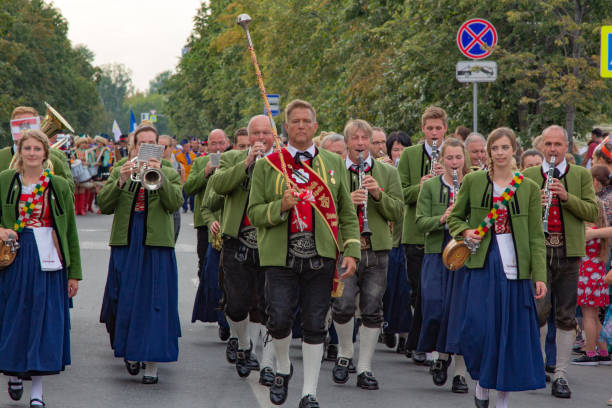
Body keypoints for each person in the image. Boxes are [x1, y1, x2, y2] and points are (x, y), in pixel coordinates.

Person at [248, 100, 361, 408]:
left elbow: (347, 214)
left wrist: (351, 249)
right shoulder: (267, 165)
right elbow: (254, 213)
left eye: (306, 121)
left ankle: (309, 392)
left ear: (315, 126)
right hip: (280, 257)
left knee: (314, 325)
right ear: (286, 127)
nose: (300, 125)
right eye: (294, 121)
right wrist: (280, 206)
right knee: (279, 320)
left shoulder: (333, 163)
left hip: (320, 257)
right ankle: (283, 367)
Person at [448, 127, 548, 408]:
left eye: (505, 147)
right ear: (488, 152)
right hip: (482, 262)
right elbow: (455, 218)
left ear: (514, 150)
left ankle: (502, 399)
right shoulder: (474, 181)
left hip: (515, 267)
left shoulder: (527, 187)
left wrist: (539, 276)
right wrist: (466, 232)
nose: (500, 153)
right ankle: (481, 383)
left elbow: (535, 237)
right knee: (478, 327)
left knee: (509, 332)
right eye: (495, 148)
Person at [0, 129, 81, 407]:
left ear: (46, 153)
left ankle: (37, 390)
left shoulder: (57, 185)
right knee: (14, 316)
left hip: (49, 258)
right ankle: (13, 371)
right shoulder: (5, 181)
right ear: (20, 152)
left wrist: (74, 273)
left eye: (37, 149)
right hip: (15, 257)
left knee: (42, 320)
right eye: (27, 149)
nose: (32, 153)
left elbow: (70, 231)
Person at [98, 122, 183, 384]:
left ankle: (152, 365)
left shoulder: (169, 170)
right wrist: (121, 180)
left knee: (155, 303)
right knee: (125, 298)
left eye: (152, 146)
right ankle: (130, 352)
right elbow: (104, 205)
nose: (147, 150)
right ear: (134, 147)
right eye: (141, 145)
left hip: (156, 243)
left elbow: (174, 203)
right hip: (127, 240)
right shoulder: (119, 168)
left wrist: (160, 174)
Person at [523, 125, 598, 399]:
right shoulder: (530, 175)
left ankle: (561, 375)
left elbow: (592, 210)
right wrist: (534, 202)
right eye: (549, 144)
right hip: (540, 251)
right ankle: (538, 366)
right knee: (539, 311)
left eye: (558, 144)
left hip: (568, 251)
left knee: (566, 315)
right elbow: (516, 212)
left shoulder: (579, 174)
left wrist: (566, 197)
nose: (553, 149)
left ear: (567, 147)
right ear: (542, 146)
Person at [330, 119, 403, 390]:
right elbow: (324, 208)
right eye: (355, 138)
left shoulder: (386, 172)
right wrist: (348, 200)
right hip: (346, 248)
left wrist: (377, 195)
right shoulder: (335, 170)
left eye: (365, 138)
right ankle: (345, 354)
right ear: (347, 142)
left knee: (373, 309)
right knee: (343, 304)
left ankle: (365, 367)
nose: (360, 143)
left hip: (377, 249)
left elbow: (397, 211)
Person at [208, 115, 276, 384]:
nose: (261, 138)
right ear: (248, 137)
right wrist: (247, 162)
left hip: (271, 240)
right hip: (238, 240)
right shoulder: (232, 158)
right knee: (236, 305)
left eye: (265, 133)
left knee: (267, 305)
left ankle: (263, 358)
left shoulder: (282, 161)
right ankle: (244, 344)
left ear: (274, 136)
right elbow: (218, 186)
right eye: (255, 133)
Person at [415, 137, 469, 393]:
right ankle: (439, 356)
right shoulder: (430, 187)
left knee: (459, 313)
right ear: (441, 160)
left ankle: (459, 372)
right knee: (434, 306)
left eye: (459, 158)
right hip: (436, 252)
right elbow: (420, 222)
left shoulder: (471, 184)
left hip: (463, 253)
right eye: (449, 158)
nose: (454, 163)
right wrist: (442, 218)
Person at [397, 106, 447, 364]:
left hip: (445, 236)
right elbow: (401, 194)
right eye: (430, 128)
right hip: (416, 234)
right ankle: (421, 341)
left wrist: (446, 178)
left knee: (438, 294)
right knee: (419, 291)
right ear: (423, 130)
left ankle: (427, 344)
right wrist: (424, 184)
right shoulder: (409, 155)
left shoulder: (453, 155)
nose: (434, 133)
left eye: (438, 128)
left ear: (445, 129)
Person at [183, 129, 230, 339]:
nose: (218, 148)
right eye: (213, 144)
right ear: (207, 145)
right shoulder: (201, 162)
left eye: (221, 143)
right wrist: (206, 173)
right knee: (206, 268)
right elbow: (189, 189)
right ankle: (213, 307)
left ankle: (226, 317)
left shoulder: (234, 160)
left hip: (228, 222)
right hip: (206, 224)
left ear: (227, 143)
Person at [381, 129, 412, 351]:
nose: (399, 153)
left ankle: (404, 335)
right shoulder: (384, 170)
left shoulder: (409, 170)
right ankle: (388, 327)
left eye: (402, 149)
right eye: (395, 149)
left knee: (404, 290)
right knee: (388, 288)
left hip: (405, 236)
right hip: (389, 238)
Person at [571, 199, 610, 366]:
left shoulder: (586, 230)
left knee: (587, 316)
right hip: (598, 274)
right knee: (594, 316)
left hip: (586, 275)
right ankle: (603, 352)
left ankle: (590, 352)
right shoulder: (600, 230)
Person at [0, 106, 74, 191]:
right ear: (12, 129)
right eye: (19, 124)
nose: (25, 130)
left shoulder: (57, 156)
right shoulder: (1, 155)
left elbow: (69, 189)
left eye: (29, 124)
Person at [159, 135, 183, 242]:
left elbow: (179, 191)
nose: (161, 150)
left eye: (164, 147)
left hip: (172, 211)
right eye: (157, 146)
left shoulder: (179, 167)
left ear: (171, 147)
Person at [176, 140, 197, 212]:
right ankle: (184, 208)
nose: (188, 148)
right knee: (184, 194)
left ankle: (193, 208)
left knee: (192, 195)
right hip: (183, 177)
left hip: (191, 176)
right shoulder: (178, 156)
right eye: (186, 147)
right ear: (183, 147)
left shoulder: (193, 155)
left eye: (189, 147)